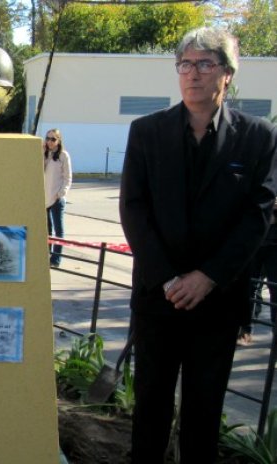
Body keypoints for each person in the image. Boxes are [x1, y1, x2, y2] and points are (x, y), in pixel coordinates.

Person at [119, 27, 277, 463]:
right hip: (158, 295)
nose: (193, 74)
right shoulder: (147, 132)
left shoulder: (258, 136)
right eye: (185, 64)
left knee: (203, 414)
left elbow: (258, 216)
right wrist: (169, 277)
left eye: (205, 64)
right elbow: (134, 210)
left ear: (227, 73)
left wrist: (207, 277)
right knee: (149, 407)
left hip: (218, 301)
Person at [238, 204, 277, 345]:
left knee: (275, 290)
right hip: (255, 242)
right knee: (250, 287)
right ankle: (245, 329)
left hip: (274, 245)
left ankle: (275, 331)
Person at [43, 128, 72, 268]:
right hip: (44, 198)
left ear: (59, 140)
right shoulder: (44, 155)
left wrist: (62, 193)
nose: (50, 142)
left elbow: (68, 178)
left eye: (53, 139)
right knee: (47, 229)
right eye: (47, 138)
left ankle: (56, 259)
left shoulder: (63, 156)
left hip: (57, 198)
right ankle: (46, 255)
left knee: (58, 230)